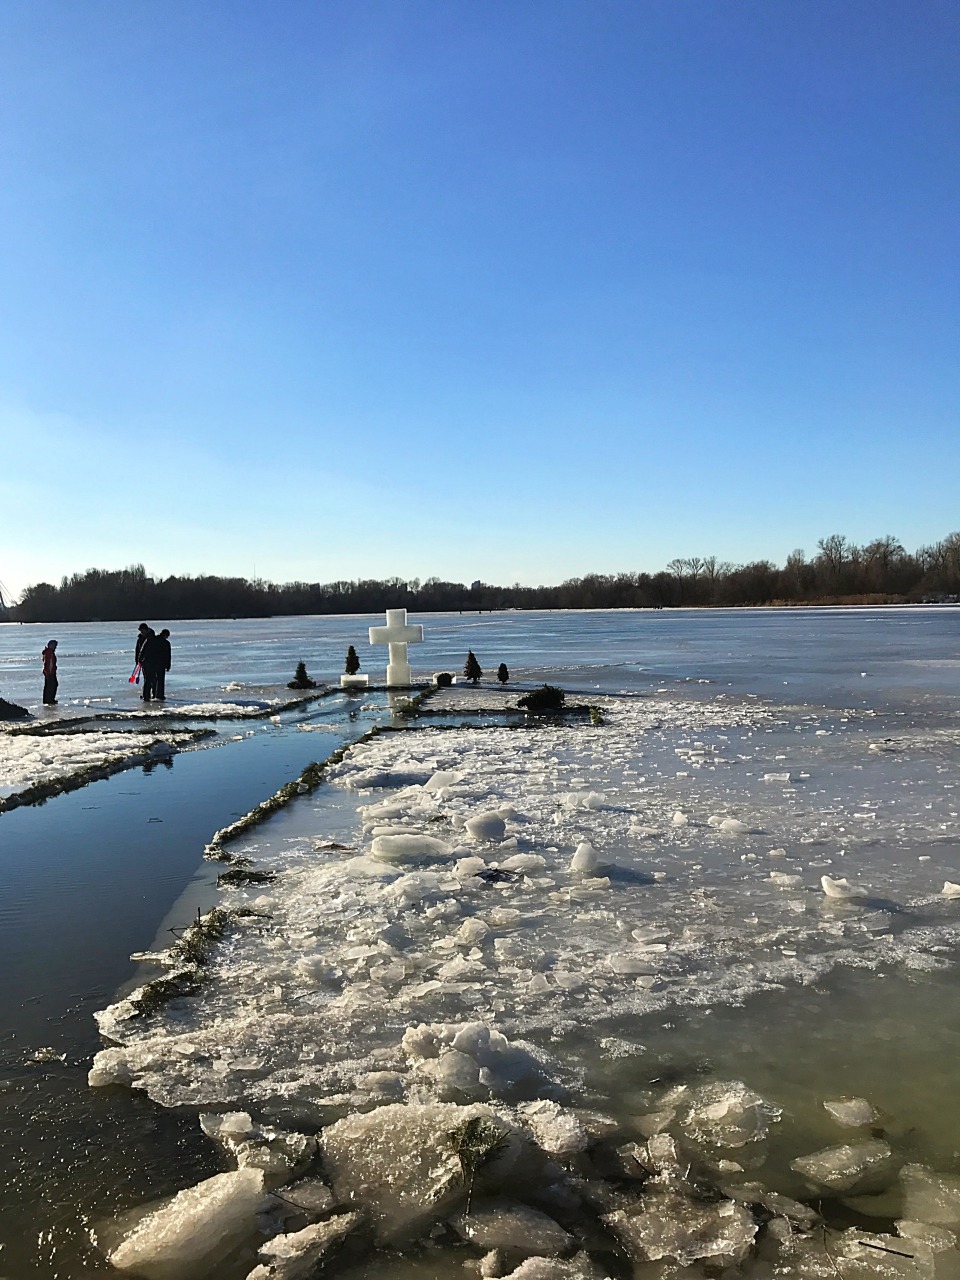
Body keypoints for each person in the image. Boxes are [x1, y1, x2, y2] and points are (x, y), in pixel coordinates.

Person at [138, 627, 161, 702]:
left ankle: (148, 695)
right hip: (151, 662)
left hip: (149, 662)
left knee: (149, 679)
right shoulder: (153, 640)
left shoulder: (148, 640)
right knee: (151, 679)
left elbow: (142, 651)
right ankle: (150, 695)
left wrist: (140, 659)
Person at [155, 629, 171, 699]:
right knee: (160, 680)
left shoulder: (154, 640)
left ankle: (153, 693)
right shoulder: (166, 643)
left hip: (152, 663)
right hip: (161, 664)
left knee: (153, 680)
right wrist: (168, 665)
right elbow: (168, 655)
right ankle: (160, 695)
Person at [41, 639, 58, 705]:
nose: (55, 647)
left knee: (50, 686)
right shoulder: (49, 653)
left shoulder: (48, 652)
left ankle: (48, 700)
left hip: (49, 672)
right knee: (52, 685)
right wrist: (49, 672)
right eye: (54, 645)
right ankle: (49, 700)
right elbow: (48, 663)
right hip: (50, 672)